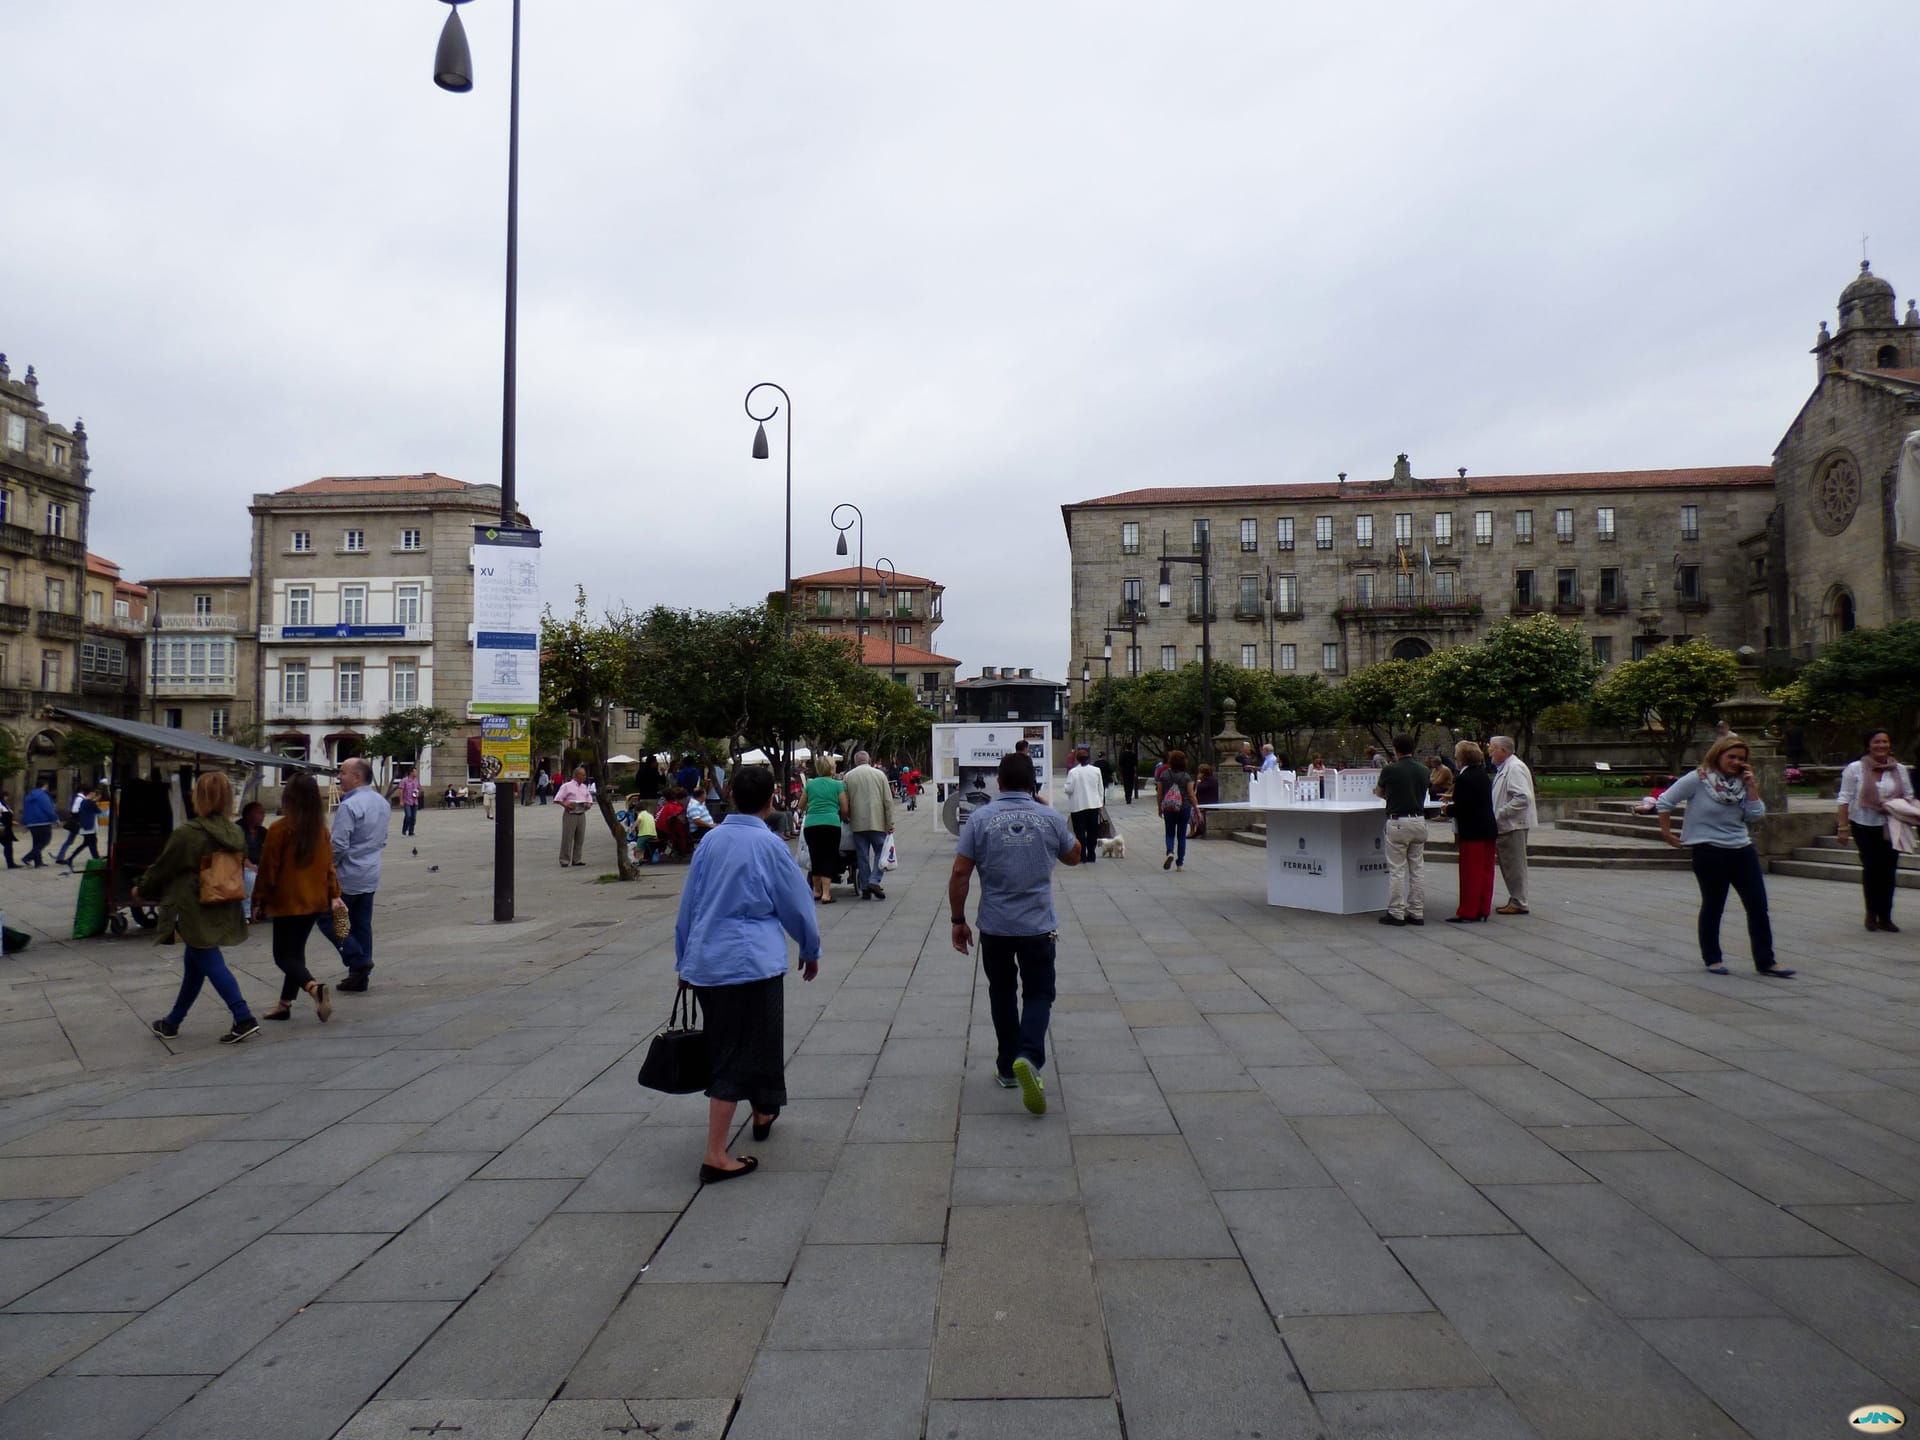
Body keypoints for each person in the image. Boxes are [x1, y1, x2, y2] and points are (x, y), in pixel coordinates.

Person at [674, 765, 821, 1183]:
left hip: (707, 961)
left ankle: (763, 1110)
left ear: (731, 797)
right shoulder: (769, 845)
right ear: (772, 798)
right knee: (740, 1051)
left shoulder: (710, 841)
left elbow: (690, 905)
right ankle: (715, 1154)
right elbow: (796, 904)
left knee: (741, 1039)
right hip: (751, 963)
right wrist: (810, 948)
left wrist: (683, 960)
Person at [949, 751, 1080, 1114]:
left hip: (996, 926)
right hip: (1038, 926)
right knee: (1039, 994)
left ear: (999, 783)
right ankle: (1029, 1056)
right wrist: (1043, 807)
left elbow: (960, 873)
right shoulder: (1049, 817)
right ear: (1033, 784)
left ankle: (1008, 1065)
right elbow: (1075, 856)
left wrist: (957, 919)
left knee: (1002, 992)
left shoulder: (980, 819)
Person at [137, 771, 258, 1044]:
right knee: (195, 964)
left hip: (193, 905)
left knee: (209, 960)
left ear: (198, 797)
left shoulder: (188, 833)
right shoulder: (235, 831)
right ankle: (172, 1022)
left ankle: (243, 1016)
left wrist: (141, 888)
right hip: (223, 902)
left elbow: (164, 867)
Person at [1658, 735, 1793, 977]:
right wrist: (1667, 833)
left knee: (1758, 905)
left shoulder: (1742, 783)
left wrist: (1752, 787)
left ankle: (1766, 961)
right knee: (1714, 904)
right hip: (1709, 850)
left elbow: (1755, 815)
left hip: (1741, 849)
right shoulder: (1698, 779)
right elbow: (1665, 801)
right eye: (1731, 756)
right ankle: (1713, 958)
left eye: (1741, 758)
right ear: (1718, 755)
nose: (1736, 761)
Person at [251, 772, 346, 1023]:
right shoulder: (321, 831)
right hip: (314, 902)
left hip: (287, 901)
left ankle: (314, 988)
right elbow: (329, 867)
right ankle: (284, 1004)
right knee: (296, 952)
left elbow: (268, 869)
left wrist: (259, 899)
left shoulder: (279, 829)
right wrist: (334, 894)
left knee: (283, 956)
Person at [1838, 727, 1913, 933]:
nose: (1881, 746)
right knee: (1871, 868)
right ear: (1868, 745)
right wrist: (1843, 827)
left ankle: (1885, 915)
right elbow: (1844, 798)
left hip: (1892, 824)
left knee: (1889, 870)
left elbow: (1908, 795)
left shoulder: (1899, 769)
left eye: (1885, 742)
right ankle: (1871, 912)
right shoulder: (1856, 768)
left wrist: (1894, 805)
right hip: (1864, 824)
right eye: (1876, 742)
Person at [323, 757, 389, 992]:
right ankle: (359, 976)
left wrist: (327, 867)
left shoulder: (349, 806)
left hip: (347, 875)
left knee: (331, 919)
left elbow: (339, 844)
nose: (339, 777)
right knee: (362, 924)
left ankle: (357, 959)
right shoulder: (381, 802)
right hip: (370, 872)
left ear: (357, 777)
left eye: (343, 773)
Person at [1374, 734, 1431, 926]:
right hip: (1419, 820)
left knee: (1397, 869)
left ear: (1395, 749)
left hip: (1398, 821)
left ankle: (1396, 911)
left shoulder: (1389, 770)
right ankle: (1416, 911)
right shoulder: (1424, 770)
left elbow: (1380, 792)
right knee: (1417, 868)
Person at [1446, 741, 1497, 922]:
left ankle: (1468, 910)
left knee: (1470, 872)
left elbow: (1462, 807)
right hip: (1488, 829)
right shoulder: (1483, 775)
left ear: (1461, 758)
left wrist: (1446, 810)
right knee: (1485, 871)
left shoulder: (1464, 778)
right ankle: (1483, 908)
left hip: (1473, 830)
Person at [1488, 735, 1536, 916]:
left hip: (1513, 824)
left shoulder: (1514, 768)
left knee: (1514, 864)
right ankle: (1516, 898)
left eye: (1493, 748)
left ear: (1503, 750)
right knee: (1510, 864)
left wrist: (1501, 813)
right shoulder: (1507, 767)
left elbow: (1522, 797)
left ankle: (1519, 901)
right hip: (1508, 824)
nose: (1490, 752)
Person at [842, 749, 894, 900]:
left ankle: (865, 886)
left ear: (855, 761)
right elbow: (888, 801)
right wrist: (889, 821)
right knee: (881, 852)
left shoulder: (848, 777)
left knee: (862, 855)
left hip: (857, 822)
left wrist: (846, 817)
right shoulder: (879, 775)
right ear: (869, 760)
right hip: (878, 821)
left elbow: (845, 801)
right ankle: (874, 881)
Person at [802, 756, 849, 903]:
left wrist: (811, 809)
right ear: (831, 768)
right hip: (831, 824)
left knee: (815, 856)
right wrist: (840, 817)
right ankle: (826, 894)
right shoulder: (837, 785)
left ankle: (816, 891)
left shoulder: (810, 784)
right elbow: (845, 808)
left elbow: (801, 805)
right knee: (829, 856)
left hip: (812, 825)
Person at [1157, 748, 1198, 872]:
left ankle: (1170, 851)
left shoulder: (1164, 775)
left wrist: (1160, 807)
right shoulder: (1186, 776)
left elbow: (1159, 793)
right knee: (1181, 835)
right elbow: (1191, 794)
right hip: (1184, 807)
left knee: (1169, 832)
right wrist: (1196, 808)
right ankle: (1180, 863)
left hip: (1169, 808)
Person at [1064, 746, 1106, 866]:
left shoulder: (1073, 772)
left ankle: (1082, 855)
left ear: (1077, 759)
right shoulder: (1096, 770)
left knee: (1080, 832)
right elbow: (1100, 788)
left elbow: (1069, 789)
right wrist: (1100, 803)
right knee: (1092, 831)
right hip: (1093, 805)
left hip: (1078, 806)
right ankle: (1091, 854)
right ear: (1088, 758)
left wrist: (1065, 788)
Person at [554, 765, 594, 867]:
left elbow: (589, 799)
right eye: (583, 775)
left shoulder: (584, 787)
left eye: (585, 775)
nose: (585, 777)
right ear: (576, 775)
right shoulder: (567, 786)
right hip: (570, 813)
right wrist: (565, 805)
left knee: (580, 837)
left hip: (581, 813)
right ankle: (564, 859)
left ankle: (577, 859)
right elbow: (558, 798)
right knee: (567, 837)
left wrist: (589, 804)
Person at [63, 786, 104, 869]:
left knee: (90, 842)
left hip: (85, 825)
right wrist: (95, 802)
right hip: (89, 826)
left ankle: (95, 857)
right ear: (91, 793)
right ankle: (71, 858)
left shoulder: (84, 802)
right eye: (94, 794)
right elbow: (99, 811)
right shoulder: (90, 802)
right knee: (89, 843)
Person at [239, 800, 268, 911]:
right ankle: (246, 911)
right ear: (248, 814)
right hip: (243, 865)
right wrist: (250, 866)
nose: (263, 816)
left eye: (263, 813)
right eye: (259, 813)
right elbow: (237, 852)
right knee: (250, 876)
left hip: (259, 864)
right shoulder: (238, 829)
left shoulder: (263, 831)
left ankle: (264, 908)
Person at [21, 781, 57, 867]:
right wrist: (55, 818)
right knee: (45, 840)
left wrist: (25, 823)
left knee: (36, 843)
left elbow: (25, 810)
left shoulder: (29, 796)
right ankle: (28, 857)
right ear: (45, 785)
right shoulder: (43, 795)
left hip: (32, 823)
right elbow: (48, 808)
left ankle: (38, 862)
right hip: (43, 821)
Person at [398, 768, 422, 836]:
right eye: (414, 772)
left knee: (413, 818)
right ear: (411, 773)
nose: (416, 773)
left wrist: (418, 794)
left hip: (415, 801)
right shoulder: (404, 780)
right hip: (407, 801)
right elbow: (401, 791)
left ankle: (411, 831)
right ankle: (404, 828)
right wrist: (401, 801)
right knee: (408, 815)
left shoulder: (416, 781)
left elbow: (419, 789)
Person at [0, 791, 15, 869]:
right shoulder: (1, 805)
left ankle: (11, 863)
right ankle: (10, 863)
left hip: (5, 827)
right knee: (8, 846)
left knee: (8, 846)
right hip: (2, 828)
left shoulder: (4, 805)